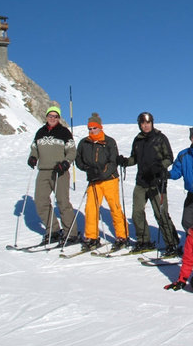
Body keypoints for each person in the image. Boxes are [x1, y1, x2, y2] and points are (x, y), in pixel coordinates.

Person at [117, 112, 181, 256]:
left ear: (152, 123)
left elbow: (169, 158)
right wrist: (125, 162)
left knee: (161, 213)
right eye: (143, 123)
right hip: (141, 181)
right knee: (137, 212)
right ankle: (143, 240)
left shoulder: (160, 138)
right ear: (139, 125)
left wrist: (159, 167)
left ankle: (172, 243)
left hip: (157, 181)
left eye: (148, 123)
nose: (145, 126)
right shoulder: (138, 140)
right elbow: (135, 158)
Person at [74, 112, 129, 251]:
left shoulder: (109, 141)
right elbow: (78, 160)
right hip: (93, 181)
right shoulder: (84, 142)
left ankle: (122, 236)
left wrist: (102, 173)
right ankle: (92, 237)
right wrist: (87, 169)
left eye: (94, 128)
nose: (92, 131)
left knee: (114, 207)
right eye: (90, 128)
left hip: (109, 179)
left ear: (100, 127)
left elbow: (113, 161)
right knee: (90, 208)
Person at [27, 105, 79, 245]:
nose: (52, 118)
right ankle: (53, 230)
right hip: (43, 171)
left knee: (62, 202)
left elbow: (72, 151)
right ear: (46, 117)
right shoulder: (40, 132)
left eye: (55, 116)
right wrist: (33, 157)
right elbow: (34, 149)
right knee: (40, 201)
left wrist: (66, 163)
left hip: (59, 171)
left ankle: (71, 233)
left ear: (59, 118)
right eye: (50, 116)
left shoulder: (64, 132)